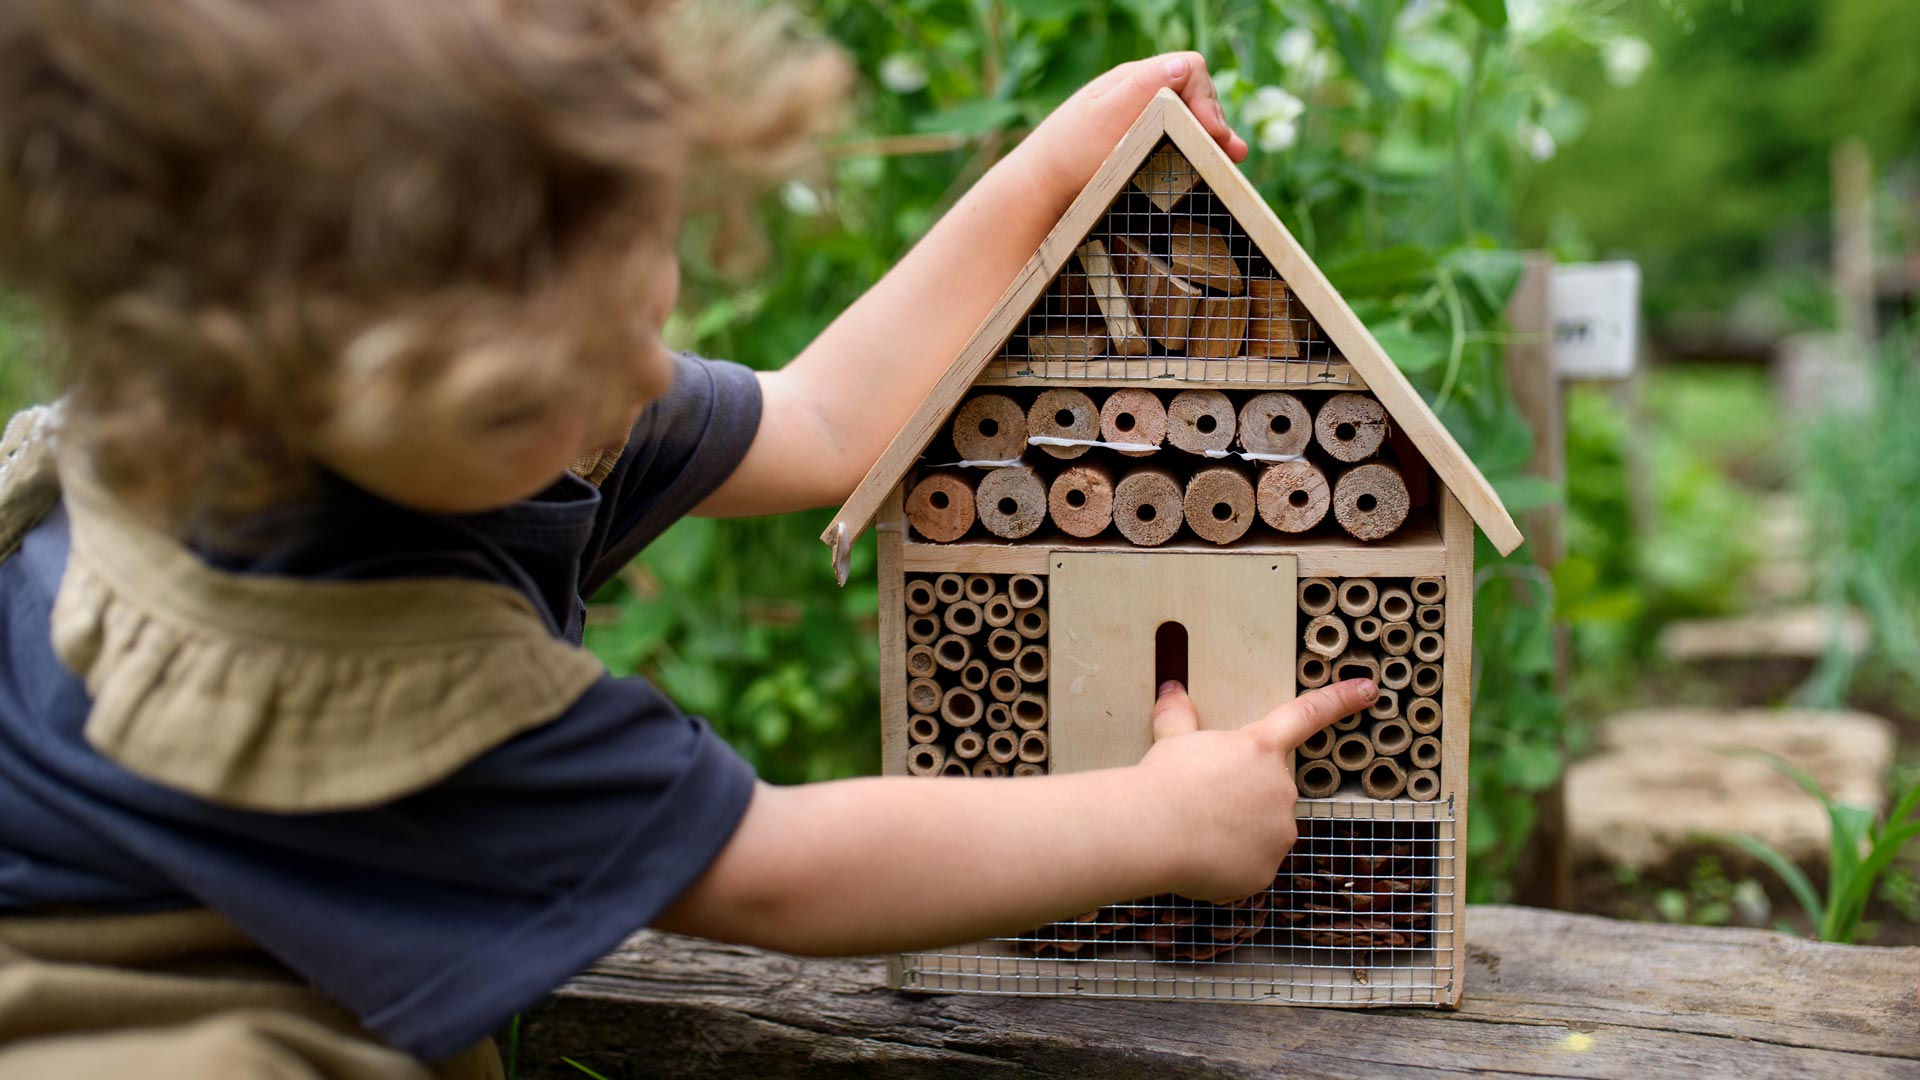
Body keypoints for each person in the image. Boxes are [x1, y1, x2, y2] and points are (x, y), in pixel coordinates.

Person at [0, 3, 1375, 1076]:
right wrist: (1160, 821)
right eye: (565, 381)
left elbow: (829, 420)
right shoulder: (381, 670)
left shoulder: (417, 402)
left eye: (642, 308)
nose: (643, 388)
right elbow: (775, 874)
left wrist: (1050, 169)